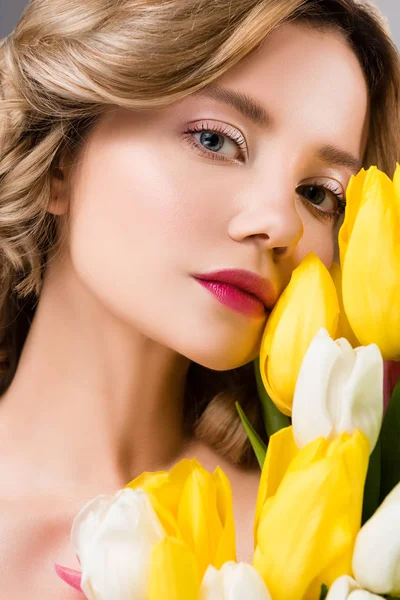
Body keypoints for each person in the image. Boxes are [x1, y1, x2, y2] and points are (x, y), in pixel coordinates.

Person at [0, 0, 399, 597]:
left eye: (319, 194)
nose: (279, 225)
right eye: (215, 139)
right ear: (60, 157)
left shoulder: (332, 542)